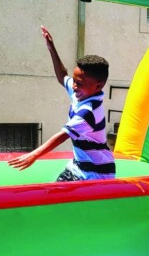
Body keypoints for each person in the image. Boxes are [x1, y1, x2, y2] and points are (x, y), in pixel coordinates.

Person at [8, 26, 115, 181]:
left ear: (98, 86)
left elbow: (63, 135)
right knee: (51, 196)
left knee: (67, 202)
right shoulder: (81, 93)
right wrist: (51, 48)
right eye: (74, 81)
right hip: (78, 166)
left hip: (97, 173)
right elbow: (62, 76)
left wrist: (34, 155)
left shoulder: (89, 112)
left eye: (79, 83)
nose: (73, 86)